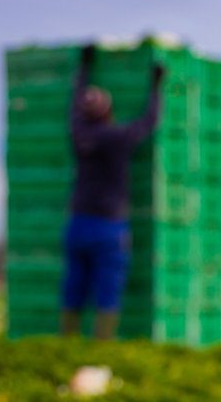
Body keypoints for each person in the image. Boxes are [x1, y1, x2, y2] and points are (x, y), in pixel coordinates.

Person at [61, 43, 165, 339]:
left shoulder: (79, 135)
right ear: (108, 113)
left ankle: (66, 343)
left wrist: (84, 67)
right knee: (108, 290)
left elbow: (74, 108)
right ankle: (102, 346)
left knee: (73, 288)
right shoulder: (117, 138)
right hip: (108, 226)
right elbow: (149, 121)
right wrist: (156, 85)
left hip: (77, 222)